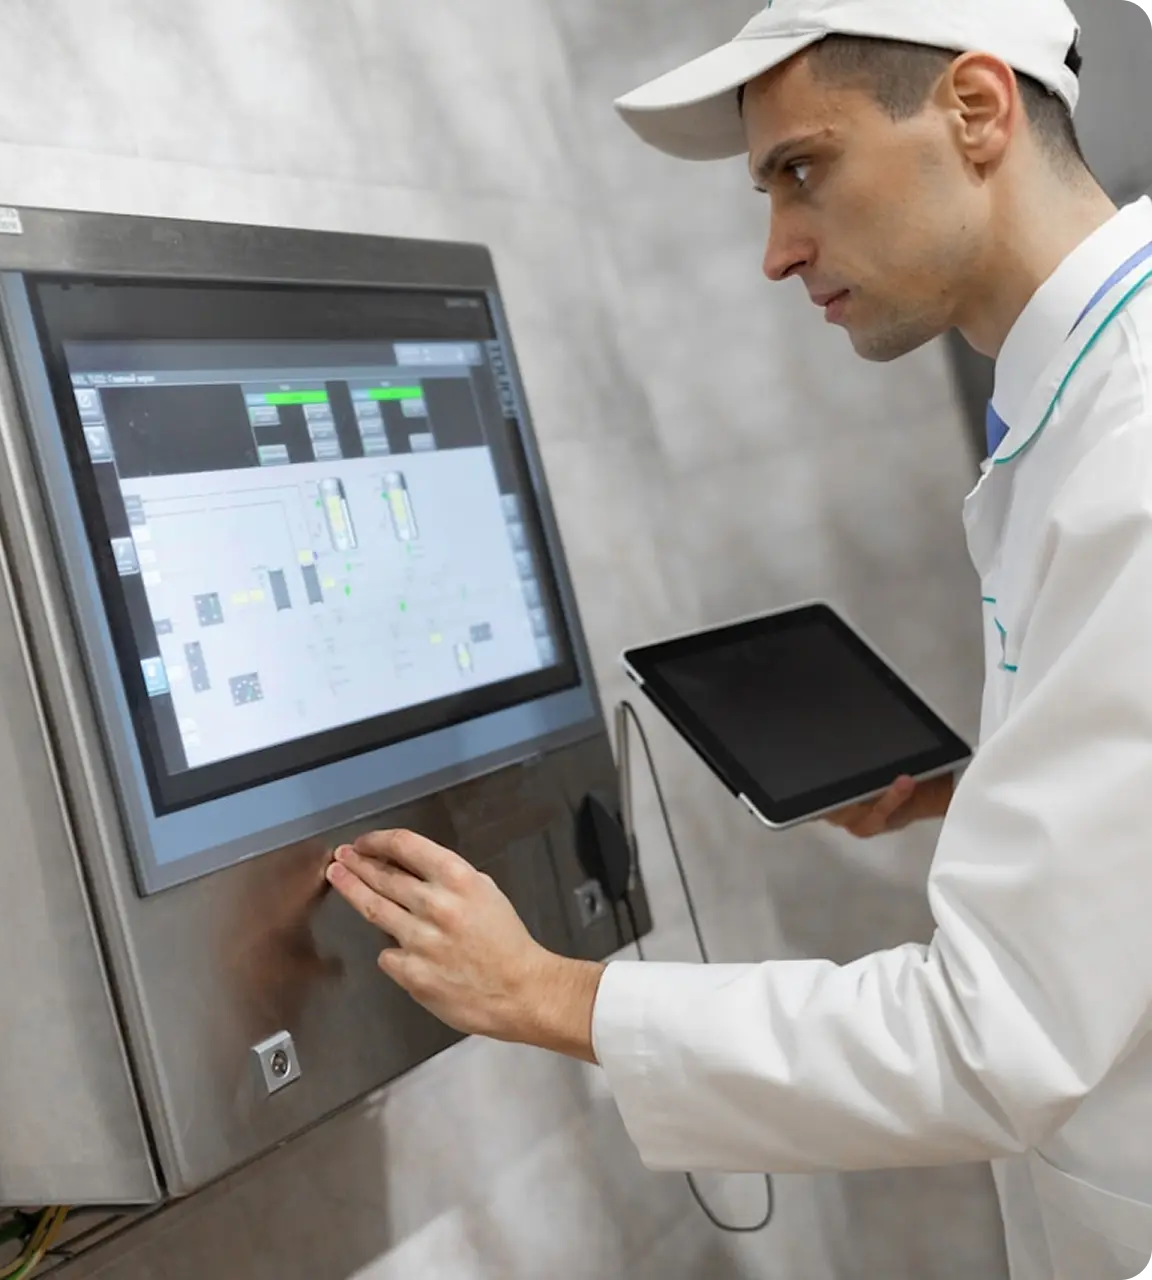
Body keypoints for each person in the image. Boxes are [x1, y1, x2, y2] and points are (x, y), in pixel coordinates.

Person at [326, 0, 1152, 1274]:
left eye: (800, 171)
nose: (777, 250)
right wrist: (992, 792)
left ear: (977, 111)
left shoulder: (1132, 437)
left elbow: (996, 1035)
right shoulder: (1083, 399)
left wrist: (546, 992)